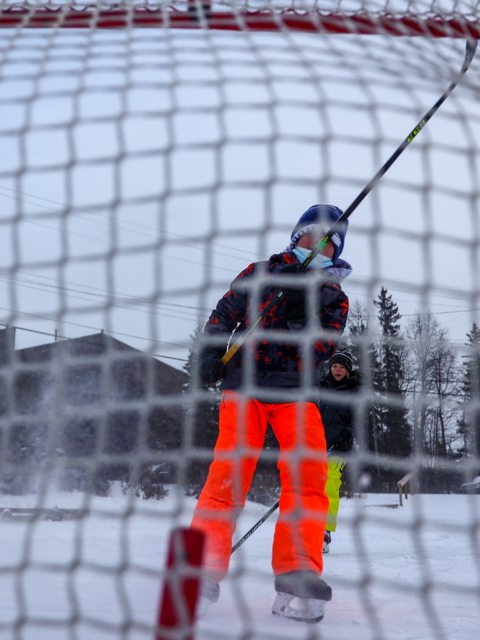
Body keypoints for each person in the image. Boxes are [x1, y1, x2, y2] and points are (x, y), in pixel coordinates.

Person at [192, 204, 351, 622]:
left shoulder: (334, 298)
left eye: (327, 244)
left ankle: (299, 568)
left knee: (310, 478)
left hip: (296, 395)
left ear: (335, 254)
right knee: (227, 476)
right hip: (245, 385)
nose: (316, 247)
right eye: (310, 238)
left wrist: (303, 301)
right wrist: (211, 348)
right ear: (295, 238)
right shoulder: (260, 272)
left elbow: (318, 346)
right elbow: (224, 312)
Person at [316, 349, 359, 554]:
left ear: (348, 370)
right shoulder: (320, 387)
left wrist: (347, 435)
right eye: (334, 366)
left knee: (329, 485)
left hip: (338, 448)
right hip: (315, 445)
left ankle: (325, 531)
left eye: (342, 367)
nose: (337, 370)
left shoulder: (354, 392)